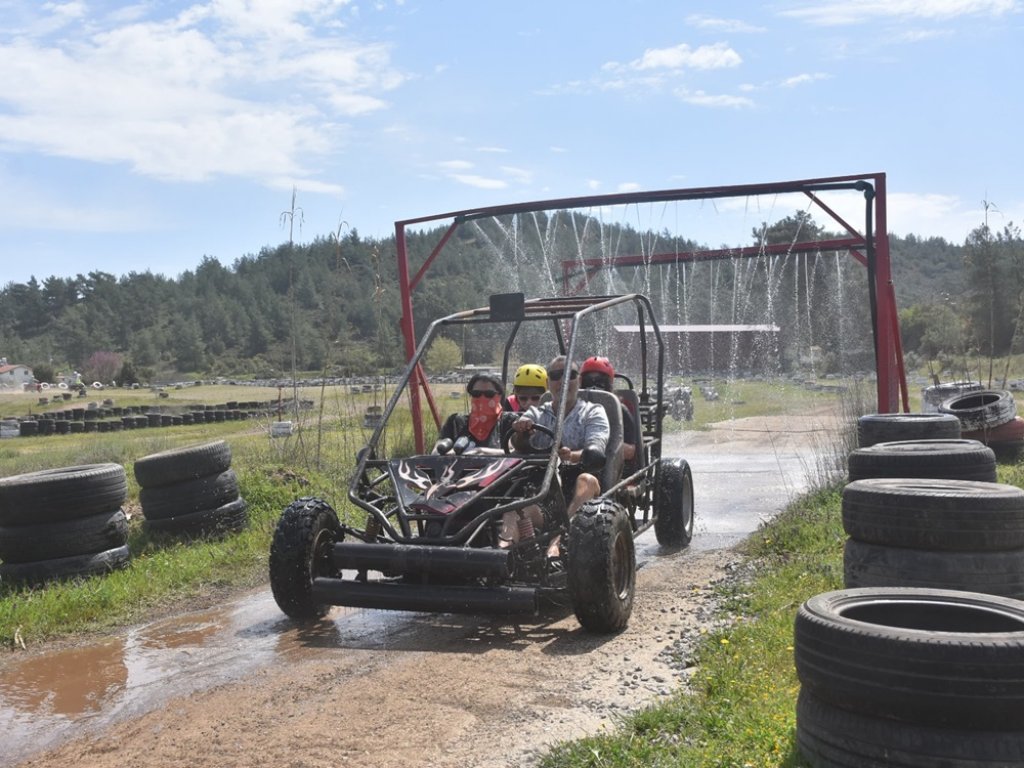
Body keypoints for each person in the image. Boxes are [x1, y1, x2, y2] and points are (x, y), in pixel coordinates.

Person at [507, 355, 609, 554]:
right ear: (547, 383)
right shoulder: (536, 414)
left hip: (579, 488)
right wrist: (521, 431)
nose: (562, 381)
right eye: (555, 375)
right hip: (542, 490)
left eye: (569, 375)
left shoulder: (593, 412)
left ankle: (558, 541)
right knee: (513, 509)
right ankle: (500, 554)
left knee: (587, 480)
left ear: (578, 380)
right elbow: (517, 443)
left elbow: (596, 447)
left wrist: (572, 456)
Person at [435, 372, 517, 454]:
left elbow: (514, 452)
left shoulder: (510, 421)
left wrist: (481, 451)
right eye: (476, 394)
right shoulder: (455, 422)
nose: (482, 398)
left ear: (499, 396)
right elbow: (436, 452)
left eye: (489, 394)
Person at [580, 356, 637, 466]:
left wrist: (598, 445)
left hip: (612, 468)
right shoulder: (574, 408)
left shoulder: (620, 410)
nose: (593, 387)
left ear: (609, 383)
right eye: (588, 381)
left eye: (600, 382)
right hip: (575, 465)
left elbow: (631, 451)